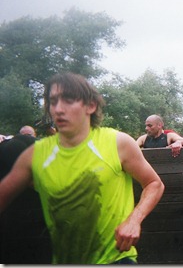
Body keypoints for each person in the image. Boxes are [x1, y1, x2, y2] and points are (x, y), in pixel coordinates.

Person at [0, 72, 165, 264]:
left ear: (91, 106)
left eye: (68, 100)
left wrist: (134, 220)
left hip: (116, 259)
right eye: (53, 102)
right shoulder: (35, 155)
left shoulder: (118, 143)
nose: (58, 109)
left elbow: (154, 184)